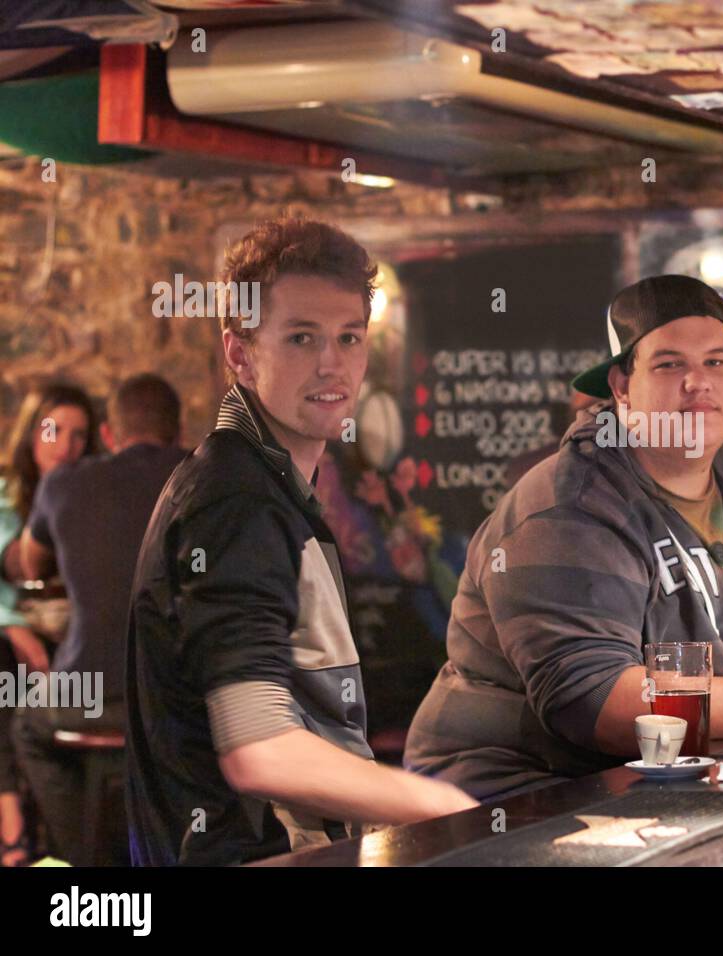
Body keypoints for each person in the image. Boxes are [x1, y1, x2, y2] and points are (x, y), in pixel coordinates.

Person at [404, 274, 723, 800]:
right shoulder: (567, 508)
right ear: (621, 387)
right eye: (669, 364)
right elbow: (596, 705)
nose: (697, 382)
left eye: (715, 362)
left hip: (689, 778)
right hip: (522, 793)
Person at [124, 216, 475, 866]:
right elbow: (259, 748)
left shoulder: (266, 484)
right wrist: (447, 809)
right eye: (301, 337)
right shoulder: (236, 499)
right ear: (240, 353)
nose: (331, 364)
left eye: (348, 337)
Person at [14, 375, 189, 866]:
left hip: (87, 694)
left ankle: (85, 860)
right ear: (178, 432)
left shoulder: (63, 483)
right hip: (176, 706)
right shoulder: (206, 475)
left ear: (109, 434)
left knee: (27, 724)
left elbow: (29, 565)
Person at [0, 382, 95, 867]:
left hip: (77, 640)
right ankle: (12, 824)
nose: (66, 445)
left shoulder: (96, 498)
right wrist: (14, 624)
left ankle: (67, 848)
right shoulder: (7, 496)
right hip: (20, 638)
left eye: (80, 435)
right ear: (32, 434)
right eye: (54, 430)